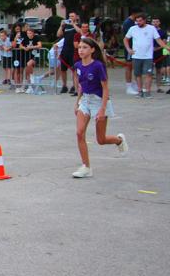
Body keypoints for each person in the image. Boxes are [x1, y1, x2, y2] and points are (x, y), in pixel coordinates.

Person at [71, 38, 128, 178]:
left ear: (92, 50)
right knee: (79, 133)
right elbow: (80, 86)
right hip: (85, 100)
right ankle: (86, 167)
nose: (81, 50)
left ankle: (119, 140)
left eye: (84, 47)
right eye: (79, 47)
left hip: (99, 101)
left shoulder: (98, 66)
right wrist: (77, 102)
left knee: (101, 139)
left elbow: (105, 89)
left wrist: (102, 109)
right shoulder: (77, 65)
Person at [123, 13, 168, 98]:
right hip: (136, 56)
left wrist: (166, 47)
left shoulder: (151, 29)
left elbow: (158, 40)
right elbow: (125, 39)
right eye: (137, 21)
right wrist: (128, 49)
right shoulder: (132, 29)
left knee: (148, 74)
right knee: (137, 74)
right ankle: (140, 91)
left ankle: (147, 92)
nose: (138, 23)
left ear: (144, 20)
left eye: (140, 21)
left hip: (148, 56)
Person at [121, 9, 139, 95]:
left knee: (135, 66)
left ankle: (134, 84)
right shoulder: (128, 23)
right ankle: (129, 86)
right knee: (129, 66)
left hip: (135, 47)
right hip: (130, 47)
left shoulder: (133, 22)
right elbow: (128, 37)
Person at [21, 28, 42, 93]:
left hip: (35, 55)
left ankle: (32, 77)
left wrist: (31, 47)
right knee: (27, 70)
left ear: (33, 33)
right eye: (27, 33)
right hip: (27, 56)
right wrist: (24, 48)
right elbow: (20, 45)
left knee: (29, 64)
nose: (28, 35)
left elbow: (40, 45)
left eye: (30, 33)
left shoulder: (36, 38)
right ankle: (29, 84)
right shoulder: (25, 38)